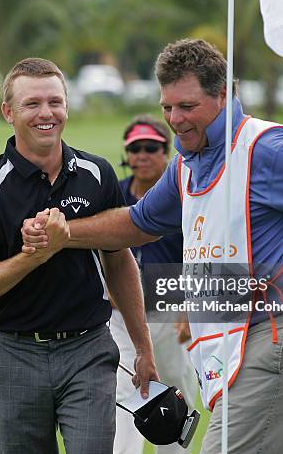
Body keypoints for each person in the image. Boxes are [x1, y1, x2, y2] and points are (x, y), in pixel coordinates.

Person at [22, 39, 283, 453]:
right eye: (167, 107)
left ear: (222, 96)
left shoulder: (271, 149)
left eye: (187, 106)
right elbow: (137, 222)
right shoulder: (186, 161)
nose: (175, 120)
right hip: (236, 334)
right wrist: (66, 234)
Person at [0, 57, 158, 454]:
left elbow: (119, 261)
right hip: (16, 355)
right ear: (8, 113)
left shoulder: (97, 174)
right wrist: (32, 256)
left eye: (55, 102)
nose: (46, 113)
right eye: (32, 104)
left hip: (89, 350)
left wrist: (143, 350)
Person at [112, 115, 198, 454]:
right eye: (135, 148)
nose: (142, 155)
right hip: (121, 315)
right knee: (123, 395)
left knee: (176, 391)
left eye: (152, 147)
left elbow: (199, 255)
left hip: (171, 311)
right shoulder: (114, 194)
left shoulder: (184, 196)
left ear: (167, 152)